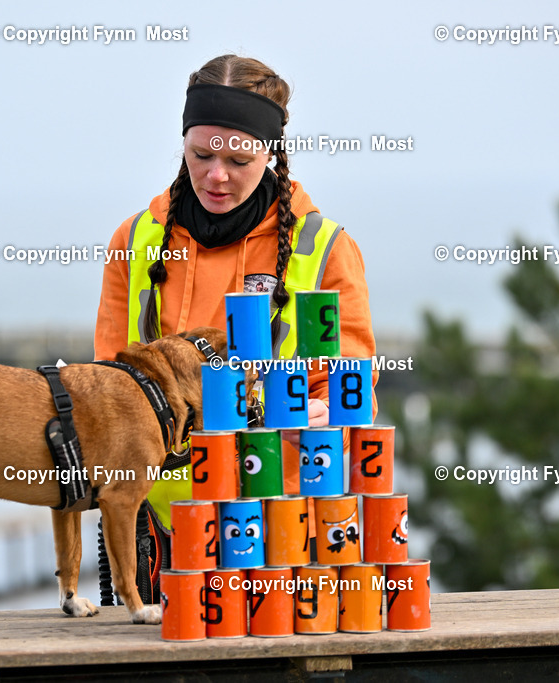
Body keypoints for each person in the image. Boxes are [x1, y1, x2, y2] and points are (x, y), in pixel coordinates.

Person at [94, 54, 377, 602]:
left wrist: (327, 416)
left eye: (238, 159)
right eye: (200, 154)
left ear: (270, 153)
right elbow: (108, 383)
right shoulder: (134, 241)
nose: (215, 175)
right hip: (163, 519)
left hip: (282, 522)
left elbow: (351, 386)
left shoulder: (326, 249)